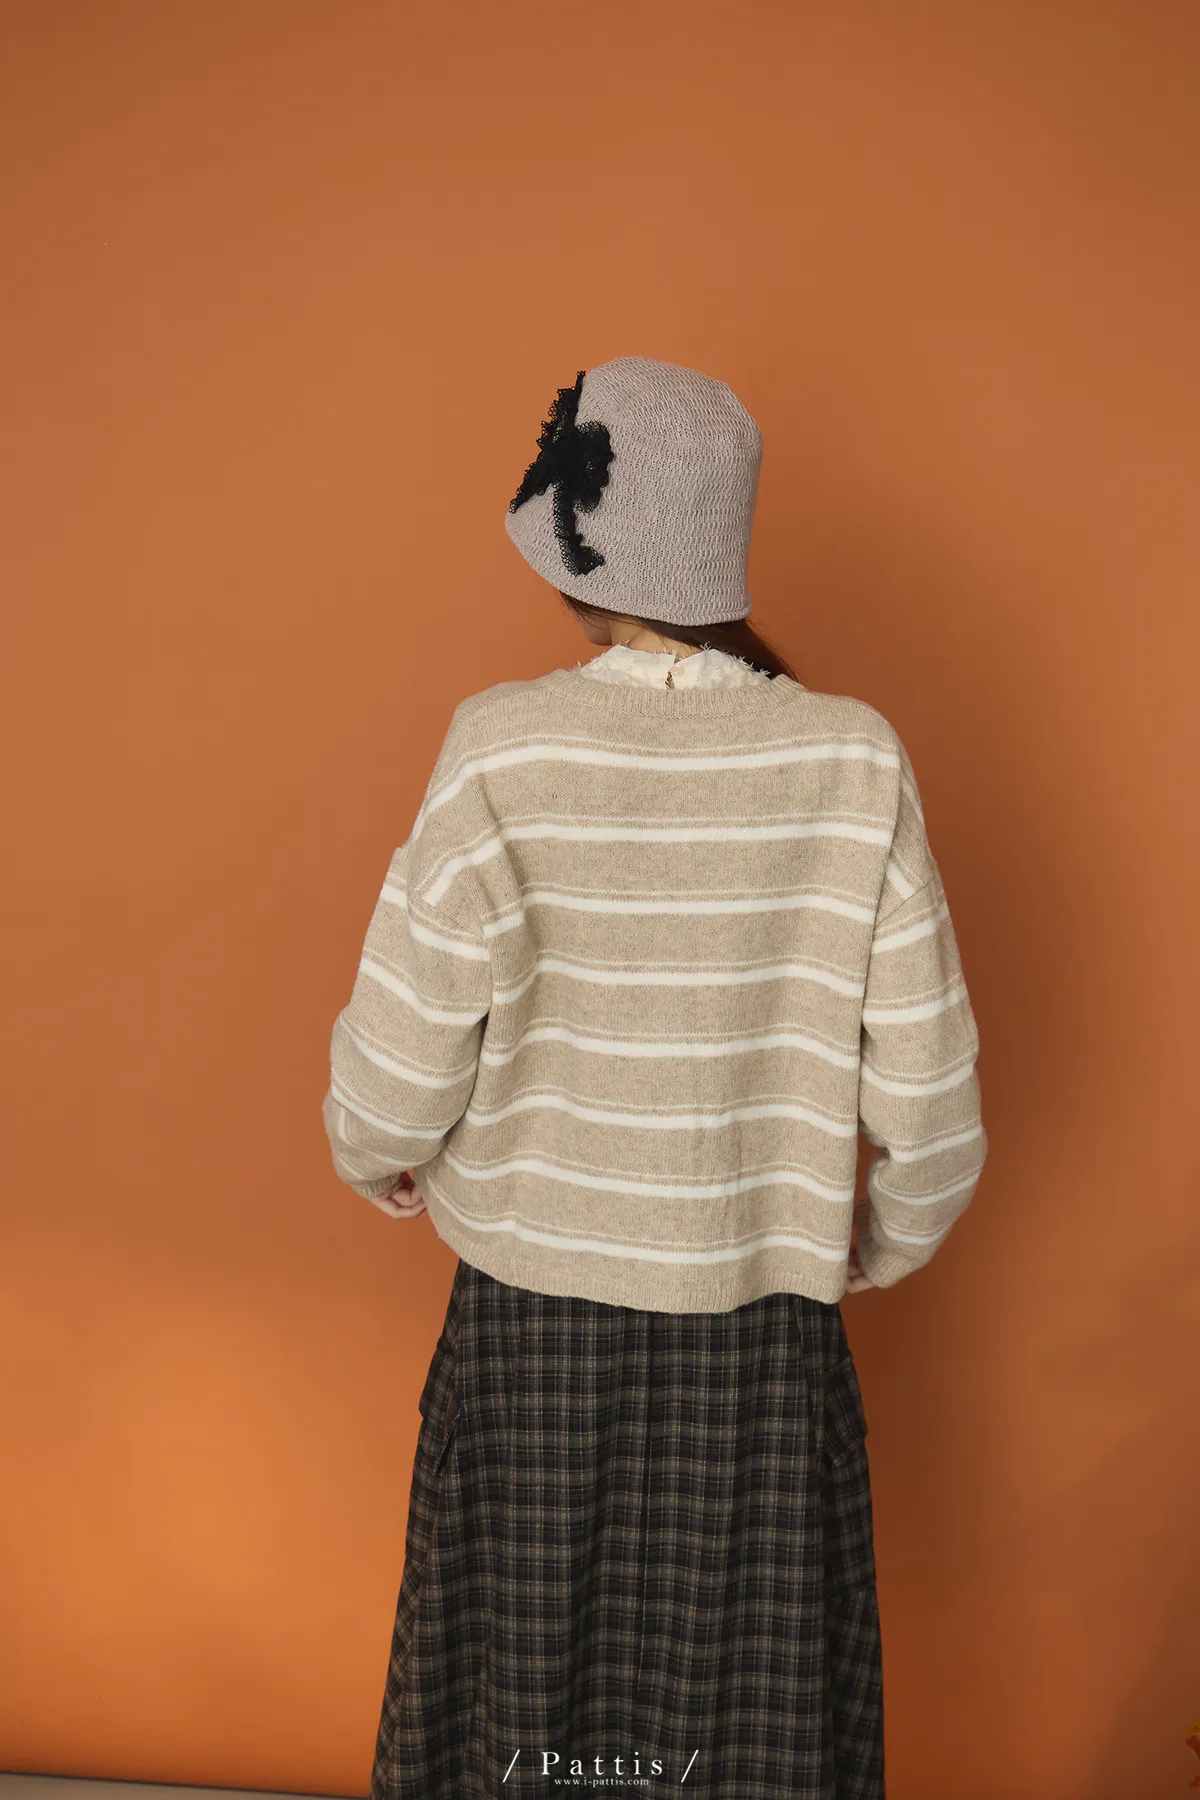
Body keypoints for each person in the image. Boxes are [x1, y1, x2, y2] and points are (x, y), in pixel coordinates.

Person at [323, 356, 987, 1799]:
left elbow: (398, 1058)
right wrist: (872, 1245)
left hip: (529, 1328)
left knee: (514, 1717)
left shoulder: (501, 747)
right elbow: (935, 1110)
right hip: (762, 1337)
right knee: (747, 1732)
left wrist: (377, 1155)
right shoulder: (852, 760)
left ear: (578, 555)